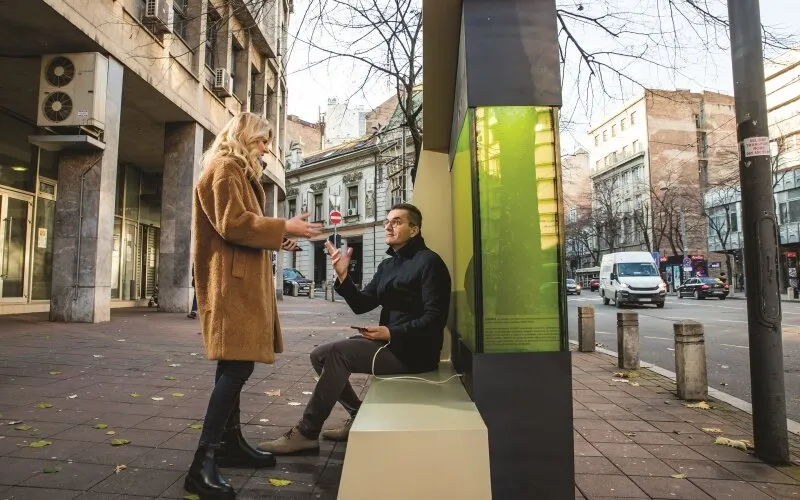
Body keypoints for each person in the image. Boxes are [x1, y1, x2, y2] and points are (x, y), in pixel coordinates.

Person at [184, 112, 322, 499]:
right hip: (231, 287)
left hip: (237, 282)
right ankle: (201, 463)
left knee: (233, 364)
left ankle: (228, 445)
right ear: (243, 137)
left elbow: (243, 228)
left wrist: (279, 238)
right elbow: (233, 224)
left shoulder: (235, 172)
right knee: (237, 367)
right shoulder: (225, 167)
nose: (266, 148)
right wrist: (284, 227)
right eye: (262, 141)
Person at [256, 203, 452, 454]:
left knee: (339, 353)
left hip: (413, 353)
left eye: (397, 222)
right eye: (387, 221)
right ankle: (357, 414)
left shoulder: (429, 263)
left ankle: (307, 432)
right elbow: (362, 304)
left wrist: (392, 332)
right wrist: (343, 276)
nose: (389, 226)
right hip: (390, 343)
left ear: (414, 230)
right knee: (320, 355)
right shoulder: (388, 266)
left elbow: (435, 319)